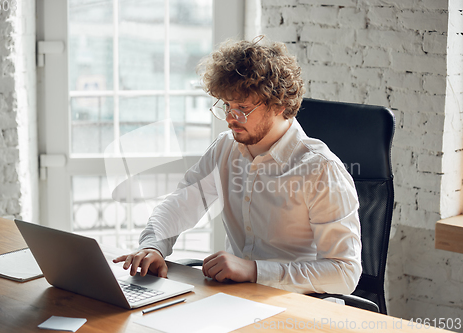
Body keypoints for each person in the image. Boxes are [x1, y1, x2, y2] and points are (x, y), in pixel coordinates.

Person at [114, 37, 362, 294]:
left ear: (279, 105)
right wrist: (153, 246)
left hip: (294, 305)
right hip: (232, 296)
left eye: (242, 108)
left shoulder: (321, 169)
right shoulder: (225, 148)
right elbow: (179, 206)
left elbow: (344, 273)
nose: (231, 119)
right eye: (227, 106)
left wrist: (254, 271)